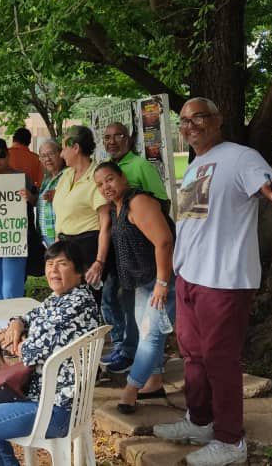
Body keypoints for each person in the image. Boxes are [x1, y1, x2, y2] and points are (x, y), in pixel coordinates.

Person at [152, 98, 272, 466]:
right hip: (190, 277)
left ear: (218, 120)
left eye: (198, 117)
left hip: (225, 278)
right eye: (183, 120)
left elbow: (270, 186)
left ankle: (231, 441)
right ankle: (200, 422)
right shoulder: (195, 164)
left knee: (221, 360)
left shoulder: (240, 157)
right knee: (193, 358)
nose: (190, 125)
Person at [0, 239, 103, 465]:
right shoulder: (61, 298)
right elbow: (30, 317)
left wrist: (14, 339)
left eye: (62, 264)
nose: (53, 270)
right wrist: (17, 323)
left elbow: (28, 353)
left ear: (80, 271)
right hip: (40, 396)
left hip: (55, 409)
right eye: (49, 264)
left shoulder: (75, 306)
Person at [94, 162, 175, 414]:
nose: (105, 187)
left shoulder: (138, 202)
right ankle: (154, 382)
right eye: (99, 184)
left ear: (123, 177)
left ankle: (131, 389)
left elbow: (164, 241)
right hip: (142, 281)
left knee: (150, 336)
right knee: (149, 334)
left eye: (109, 179)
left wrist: (163, 283)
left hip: (161, 280)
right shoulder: (116, 207)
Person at [100, 122, 170, 373]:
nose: (112, 141)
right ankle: (132, 354)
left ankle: (144, 366)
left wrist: (145, 235)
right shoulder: (109, 168)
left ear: (128, 139)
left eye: (119, 136)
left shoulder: (140, 166)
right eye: (107, 137)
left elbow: (161, 202)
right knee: (124, 304)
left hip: (149, 260)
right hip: (125, 256)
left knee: (147, 317)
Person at [52, 126, 110, 306]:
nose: (61, 154)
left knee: (88, 304)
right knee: (66, 302)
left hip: (87, 249)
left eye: (63, 148)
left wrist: (99, 261)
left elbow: (105, 224)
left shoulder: (95, 176)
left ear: (76, 148)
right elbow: (61, 214)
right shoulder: (66, 175)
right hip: (65, 246)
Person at [0, 138, 34, 300]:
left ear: (8, 156)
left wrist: (30, 197)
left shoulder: (22, 178)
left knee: (11, 289)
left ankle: (14, 323)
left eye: (1, 155)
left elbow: (36, 201)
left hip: (14, 240)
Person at [36, 140, 65, 247]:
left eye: (51, 154)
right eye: (43, 156)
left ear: (60, 154)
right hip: (46, 237)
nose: (47, 159)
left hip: (61, 236)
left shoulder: (68, 175)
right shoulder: (46, 179)